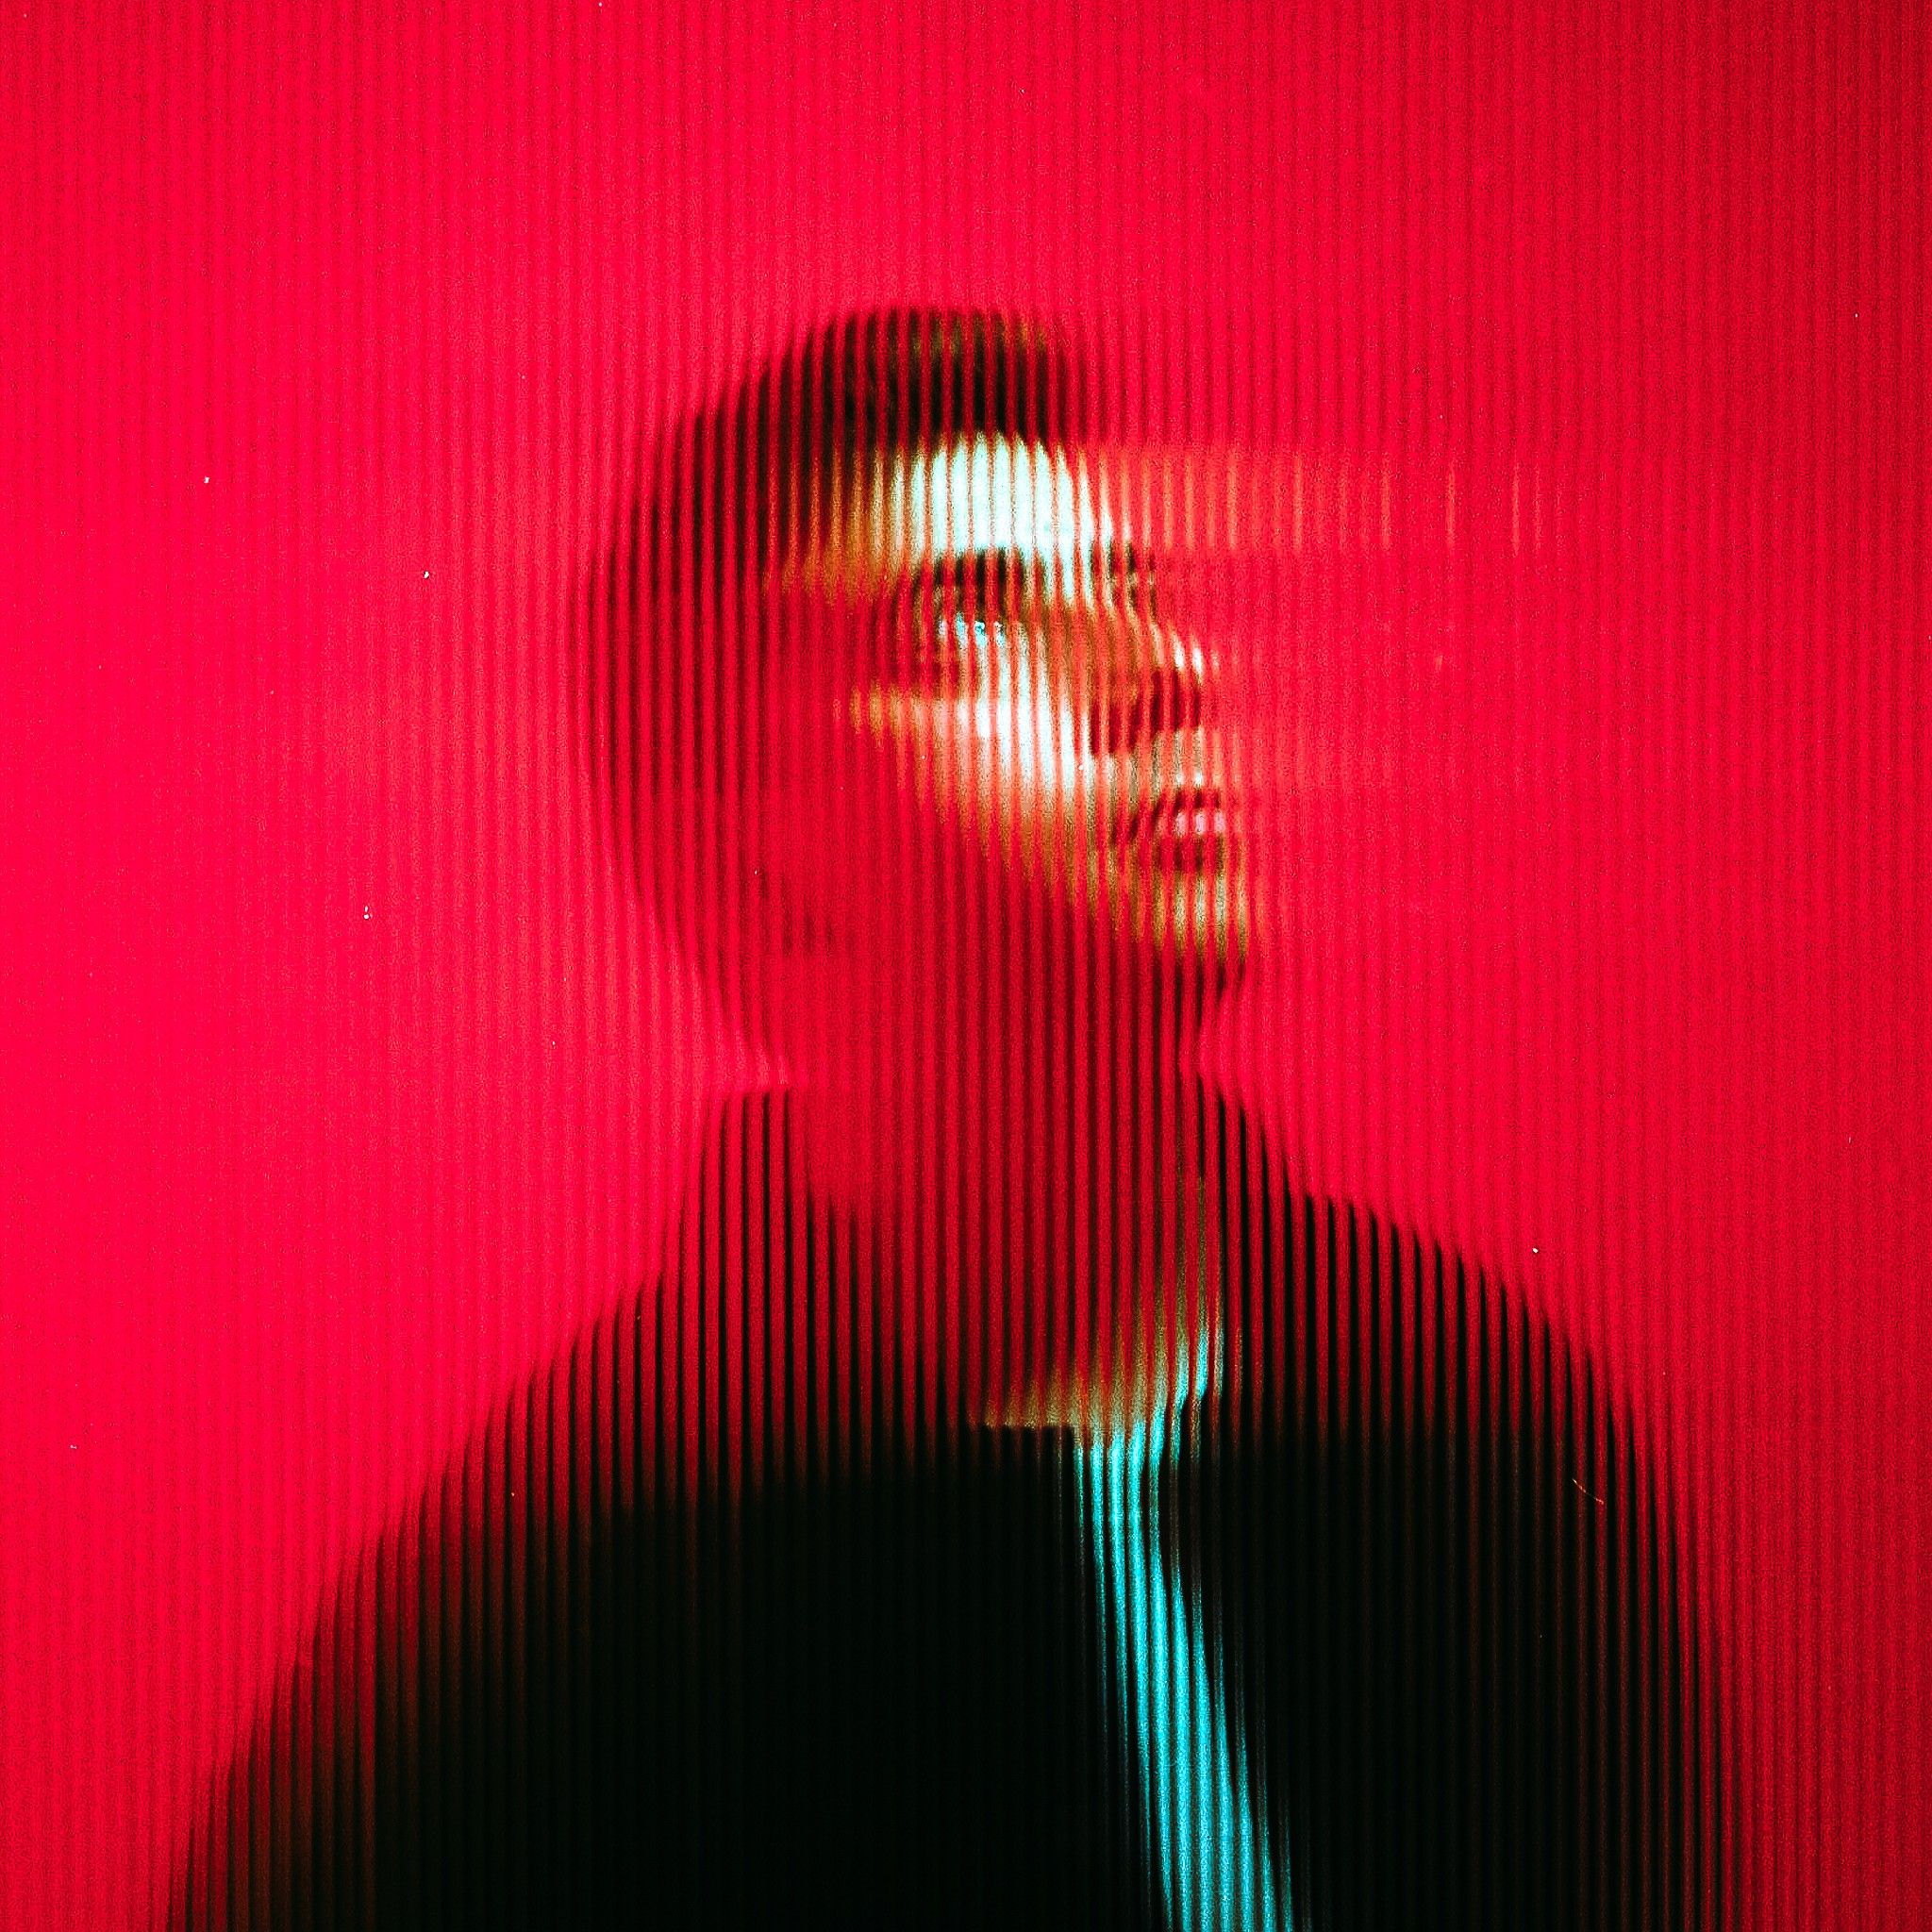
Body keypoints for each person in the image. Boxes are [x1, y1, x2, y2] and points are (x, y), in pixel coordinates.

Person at [172, 309, 1715, 1930]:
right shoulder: (570, 1597)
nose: (1165, 675)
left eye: (1136, 590)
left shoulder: (1477, 1421)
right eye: (970, 617)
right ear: (750, 874)